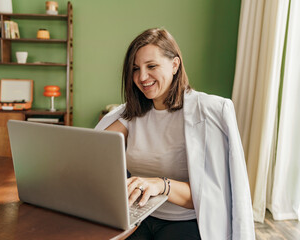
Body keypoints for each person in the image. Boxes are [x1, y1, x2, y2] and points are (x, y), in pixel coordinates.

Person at [95, 28, 255, 240]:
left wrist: (162, 185)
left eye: (151, 66)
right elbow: (91, 152)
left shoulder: (208, 113)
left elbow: (212, 195)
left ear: (175, 65)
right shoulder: (131, 115)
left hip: (187, 220)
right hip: (140, 217)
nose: (142, 77)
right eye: (135, 69)